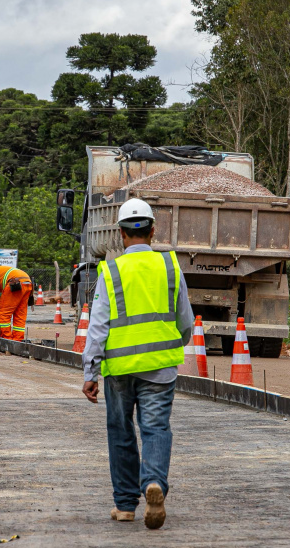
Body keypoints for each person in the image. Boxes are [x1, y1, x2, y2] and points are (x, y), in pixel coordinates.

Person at [81, 198, 193, 530]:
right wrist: (171, 344)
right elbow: (185, 321)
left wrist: (90, 372)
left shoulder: (111, 271)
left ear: (121, 233)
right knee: (155, 427)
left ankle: (125, 505)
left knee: (121, 431)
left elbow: (98, 327)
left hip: (119, 370)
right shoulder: (170, 267)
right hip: (160, 367)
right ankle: (153, 482)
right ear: (152, 230)